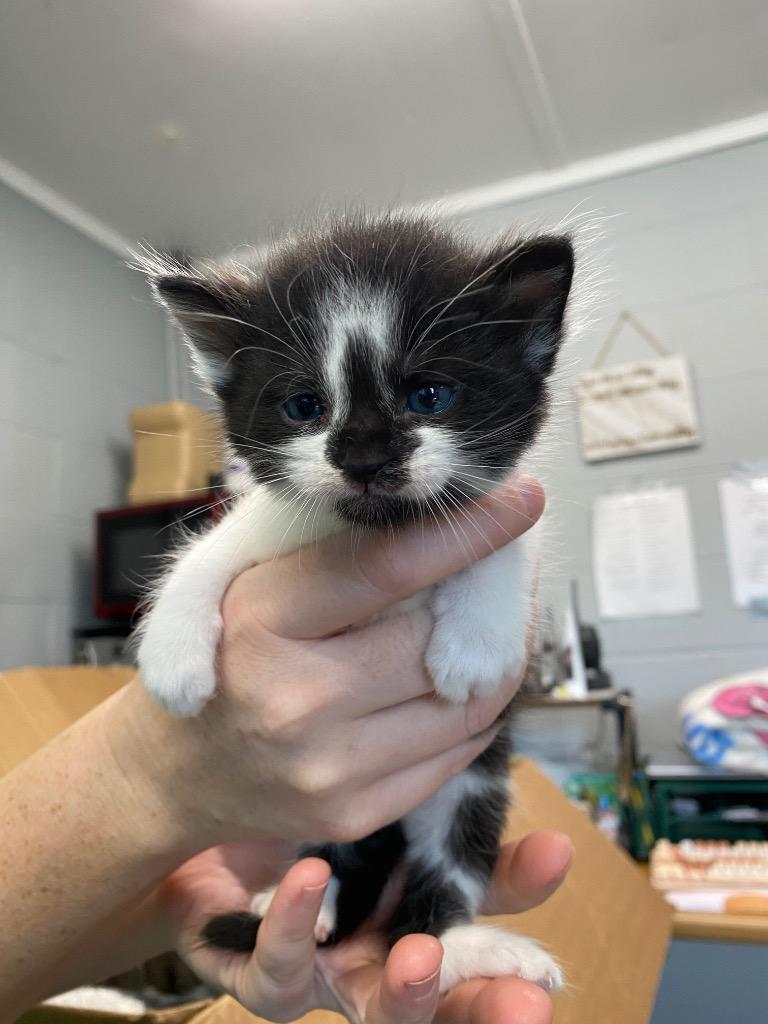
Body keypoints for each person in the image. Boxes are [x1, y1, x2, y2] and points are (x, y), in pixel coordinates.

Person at [0, 478, 573, 1024]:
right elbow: (226, 547)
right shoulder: (283, 514)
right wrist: (153, 760)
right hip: (304, 818)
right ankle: (348, 891)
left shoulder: (489, 506)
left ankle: (438, 928)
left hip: (427, 777)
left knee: (472, 783)